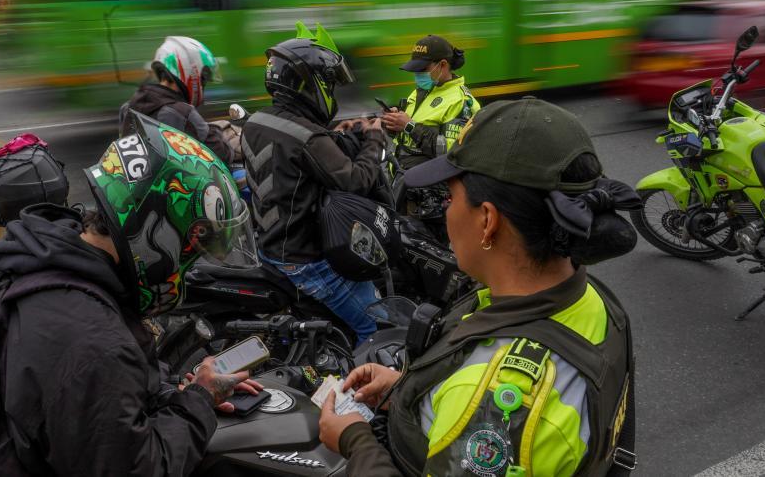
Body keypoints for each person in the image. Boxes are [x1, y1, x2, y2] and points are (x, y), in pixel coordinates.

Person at [0, 112, 263, 475]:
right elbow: (139, 468)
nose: (189, 266)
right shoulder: (93, 341)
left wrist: (181, 394)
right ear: (157, 232)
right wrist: (201, 401)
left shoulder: (48, 264)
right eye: (195, 249)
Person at [319, 98, 638, 477]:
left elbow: (483, 394)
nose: (446, 211)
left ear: (487, 220)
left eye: (450, 198)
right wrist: (409, 389)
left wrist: (355, 439)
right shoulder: (592, 297)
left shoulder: (497, 405)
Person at [241, 23, 387, 343]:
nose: (332, 92)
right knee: (380, 327)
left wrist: (337, 136)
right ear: (308, 83)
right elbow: (357, 180)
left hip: (269, 246)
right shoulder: (308, 137)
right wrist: (375, 140)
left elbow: (291, 160)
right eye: (329, 84)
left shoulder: (256, 121)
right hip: (304, 261)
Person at [119, 36, 236, 163]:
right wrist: (216, 130)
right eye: (203, 80)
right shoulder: (182, 113)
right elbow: (223, 155)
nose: (203, 85)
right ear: (191, 72)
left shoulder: (127, 108)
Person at [380, 35, 480, 170]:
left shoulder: (460, 101)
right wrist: (394, 123)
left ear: (443, 65)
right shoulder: (423, 90)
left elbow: (452, 152)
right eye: (415, 70)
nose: (417, 74)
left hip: (429, 186)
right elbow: (407, 136)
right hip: (402, 179)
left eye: (422, 69)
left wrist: (409, 126)